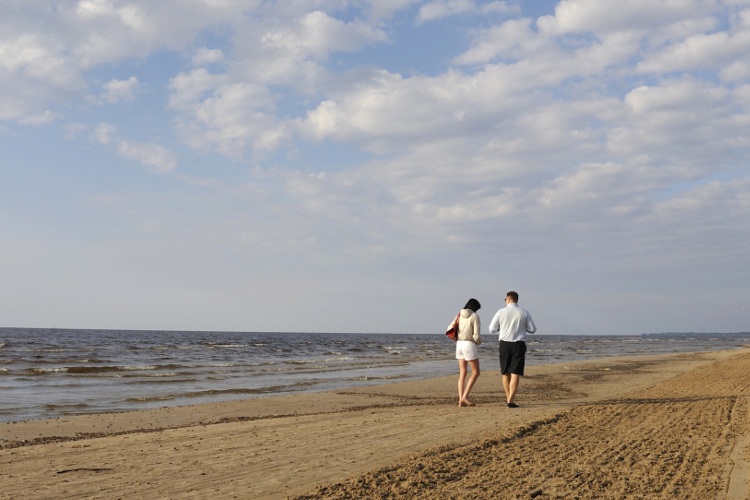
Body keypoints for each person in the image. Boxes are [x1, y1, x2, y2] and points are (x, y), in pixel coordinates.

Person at [489, 291, 536, 408]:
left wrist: (502, 328)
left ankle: (508, 397)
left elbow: (491, 329)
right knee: (515, 373)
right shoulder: (524, 312)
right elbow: (533, 329)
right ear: (516, 300)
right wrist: (523, 328)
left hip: (505, 344)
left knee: (505, 372)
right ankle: (511, 400)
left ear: (508, 299)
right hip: (518, 344)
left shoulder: (501, 311)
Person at [449, 298, 482, 407]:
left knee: (462, 373)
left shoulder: (459, 314)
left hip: (459, 344)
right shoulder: (474, 316)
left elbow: (449, 328)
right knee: (476, 372)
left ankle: (460, 400)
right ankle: (465, 396)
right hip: (469, 344)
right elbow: (476, 335)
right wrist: (478, 342)